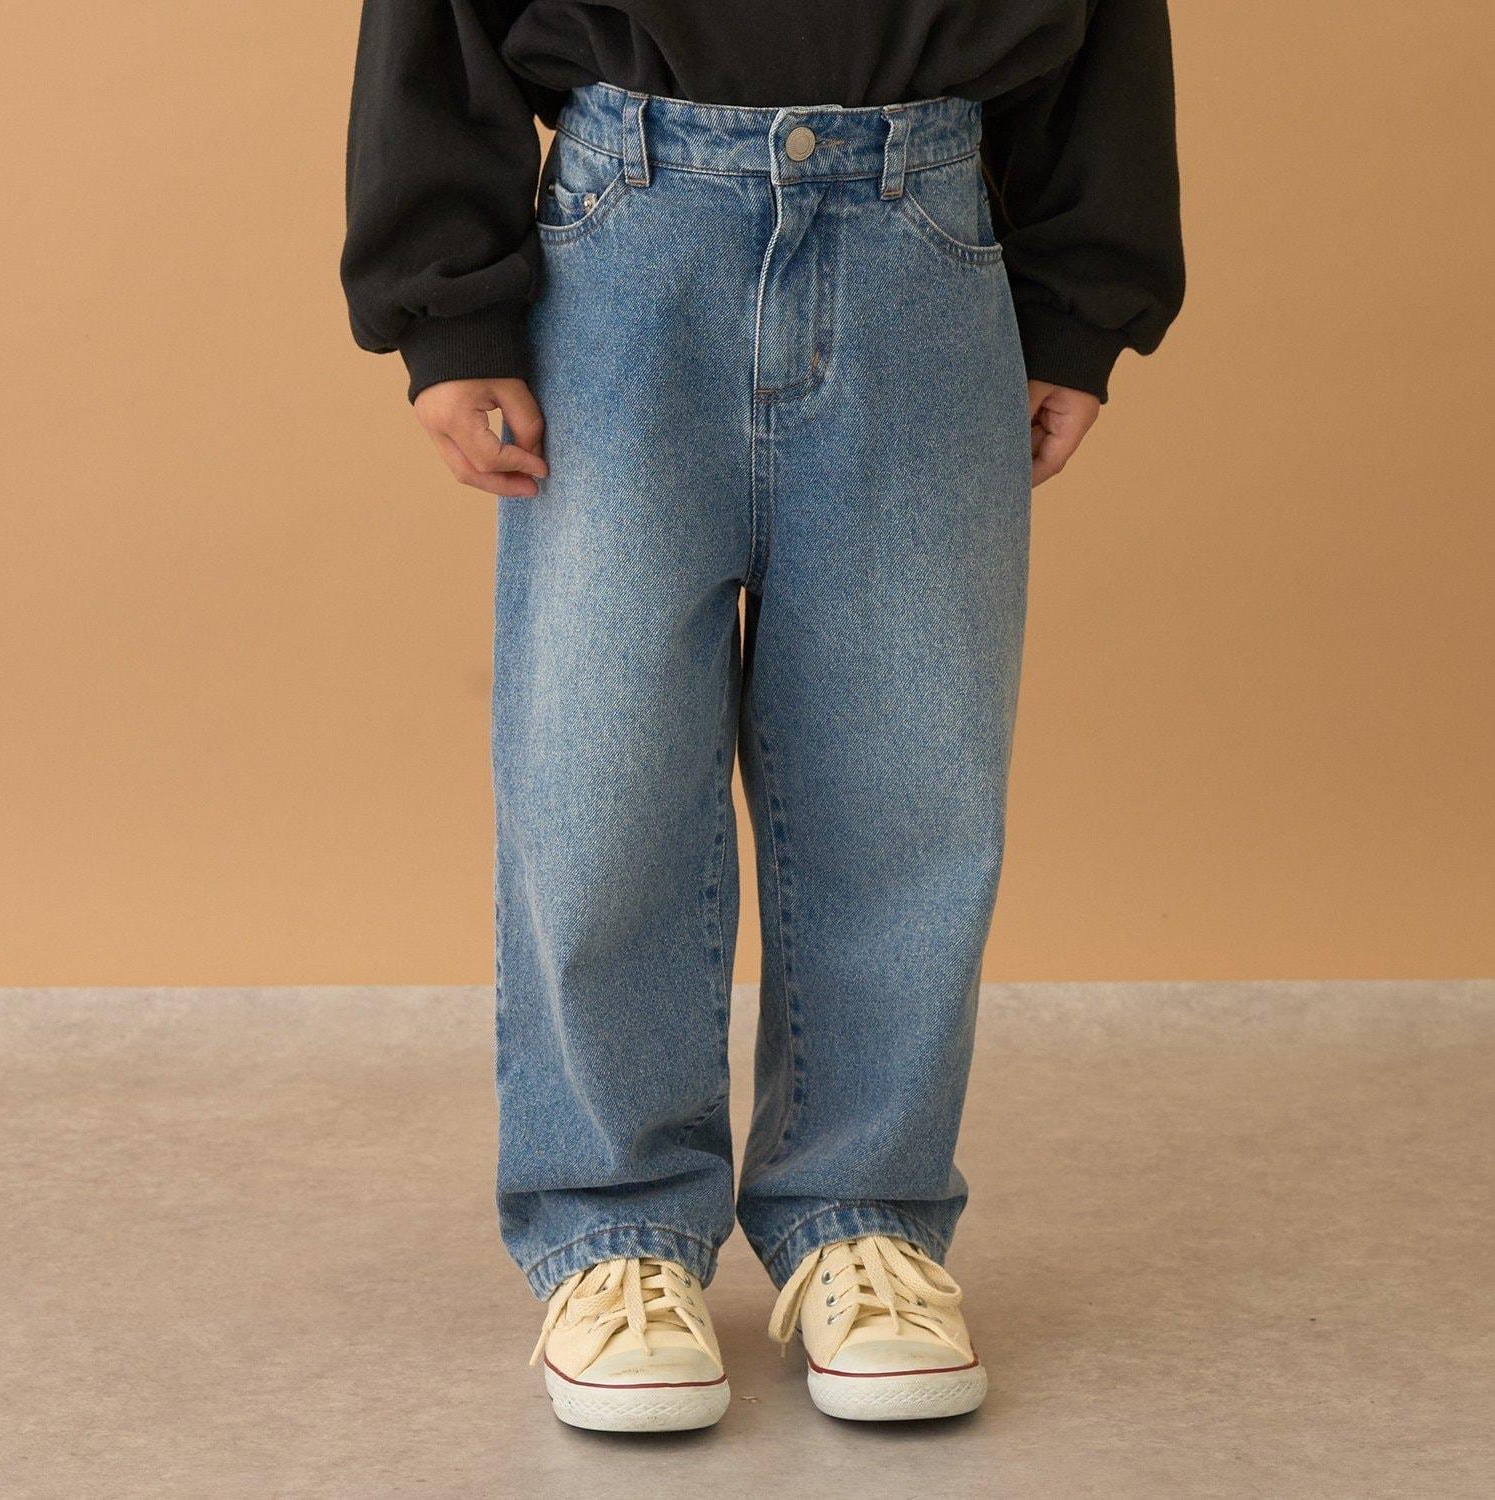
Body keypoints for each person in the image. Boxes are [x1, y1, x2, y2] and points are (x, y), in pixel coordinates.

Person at [341, 0, 1183, 1432]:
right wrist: (448, 301)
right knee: (600, 774)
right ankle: (613, 1231)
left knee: (906, 771)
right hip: (627, 233)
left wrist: (1079, 297)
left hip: (923, 239)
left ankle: (867, 1216)